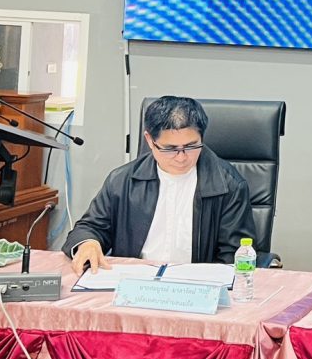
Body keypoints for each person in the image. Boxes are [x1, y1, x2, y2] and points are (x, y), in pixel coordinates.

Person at [62, 96, 256, 275]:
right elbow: (90, 227)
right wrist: (88, 243)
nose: (181, 157)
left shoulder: (229, 185)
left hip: (196, 284)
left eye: (191, 146)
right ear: (149, 140)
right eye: (170, 149)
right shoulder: (122, 180)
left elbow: (234, 255)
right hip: (134, 281)